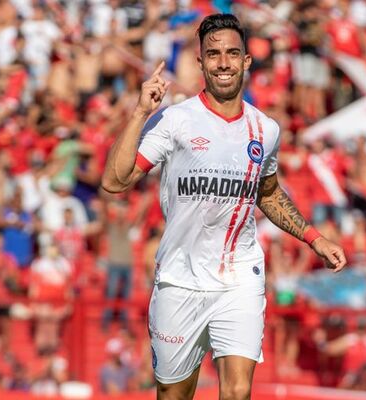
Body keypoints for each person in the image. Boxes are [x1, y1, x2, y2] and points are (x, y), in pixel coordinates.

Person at [101, 13, 347, 400]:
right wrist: (140, 114)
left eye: (233, 53)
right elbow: (115, 181)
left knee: (236, 391)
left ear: (247, 61)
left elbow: (267, 192)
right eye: (213, 54)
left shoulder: (265, 130)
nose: (223, 63)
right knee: (174, 394)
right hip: (180, 279)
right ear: (200, 62)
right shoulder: (175, 120)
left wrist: (314, 238)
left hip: (239, 279)